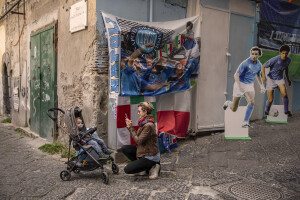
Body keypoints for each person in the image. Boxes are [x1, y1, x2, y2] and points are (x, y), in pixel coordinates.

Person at [223, 46, 265, 128]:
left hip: (249, 85)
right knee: (234, 109)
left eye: (256, 54)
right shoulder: (245, 63)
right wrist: (240, 86)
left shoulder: (259, 65)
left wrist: (262, 86)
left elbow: (258, 75)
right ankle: (228, 103)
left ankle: (245, 121)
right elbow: (236, 75)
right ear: (250, 54)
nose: (254, 56)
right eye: (252, 54)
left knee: (251, 102)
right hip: (240, 83)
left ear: (259, 55)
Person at [121, 102, 160, 179]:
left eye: (139, 111)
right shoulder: (144, 122)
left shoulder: (148, 125)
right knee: (125, 148)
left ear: (145, 111)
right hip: (144, 150)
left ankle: (154, 165)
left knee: (127, 169)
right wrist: (130, 126)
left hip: (149, 156)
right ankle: (143, 168)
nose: (138, 113)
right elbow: (139, 138)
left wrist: (130, 127)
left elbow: (138, 141)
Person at [261, 45, 292, 117]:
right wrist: (263, 76)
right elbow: (263, 66)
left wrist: (288, 79)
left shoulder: (288, 60)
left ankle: (286, 111)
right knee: (271, 99)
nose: (284, 55)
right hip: (271, 79)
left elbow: (286, 69)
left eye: (286, 53)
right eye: (283, 53)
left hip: (280, 79)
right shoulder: (275, 59)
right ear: (280, 53)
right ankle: (267, 110)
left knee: (284, 94)